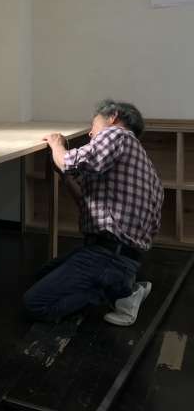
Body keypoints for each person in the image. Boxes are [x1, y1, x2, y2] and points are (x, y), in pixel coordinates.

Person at [23, 99, 163, 325]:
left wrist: (57, 145)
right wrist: (65, 175)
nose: (90, 133)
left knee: (36, 304)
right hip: (120, 256)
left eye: (93, 125)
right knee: (42, 276)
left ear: (113, 117)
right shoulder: (139, 161)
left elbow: (69, 161)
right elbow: (86, 203)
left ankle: (119, 293)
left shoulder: (117, 135)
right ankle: (120, 285)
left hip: (109, 256)